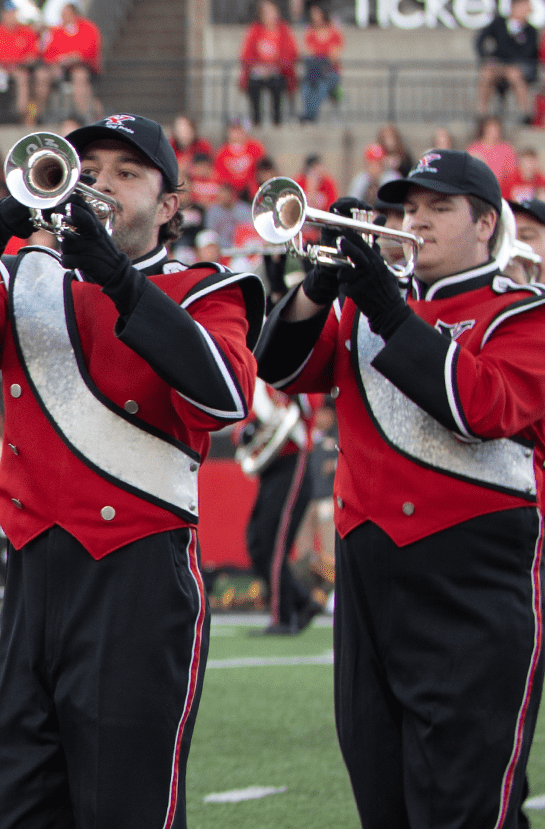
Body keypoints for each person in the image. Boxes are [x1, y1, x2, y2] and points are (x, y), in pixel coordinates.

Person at [0, 113, 262, 824]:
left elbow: (224, 394)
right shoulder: (25, 279)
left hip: (138, 579)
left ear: (168, 208)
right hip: (32, 579)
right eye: (91, 168)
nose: (102, 183)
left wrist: (119, 280)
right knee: (9, 809)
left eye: (128, 172)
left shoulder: (205, 289)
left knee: (125, 808)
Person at [256, 148, 545, 827]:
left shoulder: (523, 312)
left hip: (473, 575)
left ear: (486, 224)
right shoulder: (367, 309)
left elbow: (482, 409)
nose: (417, 222)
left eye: (440, 208)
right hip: (369, 577)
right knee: (382, 792)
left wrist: (388, 309)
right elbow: (278, 367)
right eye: (410, 208)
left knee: (466, 802)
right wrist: (317, 286)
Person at [236, 381, 319, 636]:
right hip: (270, 466)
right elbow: (243, 419)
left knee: (274, 543)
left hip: (294, 460)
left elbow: (308, 406)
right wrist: (246, 431)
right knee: (257, 542)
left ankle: (283, 617)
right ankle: (303, 602)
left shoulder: (294, 375)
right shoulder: (259, 381)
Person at [0, 1, 39, 125]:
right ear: (2, 15)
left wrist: (19, 63)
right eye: (7, 14)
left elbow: (33, 55)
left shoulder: (26, 31)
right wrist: (0, 66)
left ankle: (20, 115)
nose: (10, 16)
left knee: (23, 78)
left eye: (12, 13)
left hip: (18, 69)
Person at [39, 2, 101, 122]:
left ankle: (83, 115)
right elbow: (48, 54)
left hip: (83, 68)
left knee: (79, 75)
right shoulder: (56, 31)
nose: (63, 17)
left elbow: (90, 50)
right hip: (58, 68)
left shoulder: (88, 28)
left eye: (66, 14)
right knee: (41, 76)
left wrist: (74, 57)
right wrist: (59, 60)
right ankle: (38, 115)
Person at [239, 1, 297, 129]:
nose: (270, 15)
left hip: (279, 72)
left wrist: (277, 66)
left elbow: (291, 53)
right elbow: (246, 54)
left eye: (273, 12)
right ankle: (256, 120)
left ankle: (277, 120)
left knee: (277, 84)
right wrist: (258, 66)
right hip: (258, 72)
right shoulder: (255, 30)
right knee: (253, 84)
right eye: (266, 12)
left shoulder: (284, 30)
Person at [476, 0, 537, 118]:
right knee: (486, 74)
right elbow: (480, 40)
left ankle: (525, 114)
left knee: (514, 75)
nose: (529, 10)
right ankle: (481, 114)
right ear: (515, 7)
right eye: (526, 7)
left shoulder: (530, 30)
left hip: (518, 68)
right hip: (498, 66)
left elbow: (529, 52)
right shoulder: (498, 23)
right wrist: (486, 57)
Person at [300, 4, 343, 123]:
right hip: (314, 72)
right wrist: (323, 57)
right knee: (306, 86)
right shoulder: (310, 32)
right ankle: (309, 114)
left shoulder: (334, 33)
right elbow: (309, 54)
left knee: (322, 85)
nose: (315, 17)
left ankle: (310, 116)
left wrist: (320, 58)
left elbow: (334, 57)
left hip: (331, 73)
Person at [469, 114, 519, 194]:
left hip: (502, 189)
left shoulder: (507, 149)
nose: (493, 133)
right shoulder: (474, 148)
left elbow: (512, 174)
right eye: (490, 130)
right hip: (479, 188)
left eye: (496, 130)